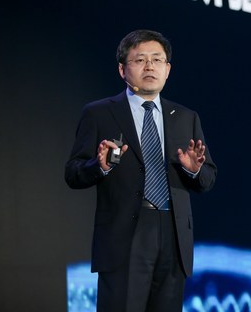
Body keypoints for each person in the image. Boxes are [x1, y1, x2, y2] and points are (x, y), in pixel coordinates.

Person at [65, 29, 217, 311]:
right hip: (124, 236)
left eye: (157, 60)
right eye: (140, 60)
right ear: (122, 69)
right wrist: (100, 166)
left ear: (167, 70)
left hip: (174, 235)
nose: (150, 66)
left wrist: (194, 171)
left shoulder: (186, 117)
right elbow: (73, 173)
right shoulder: (100, 113)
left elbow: (207, 179)